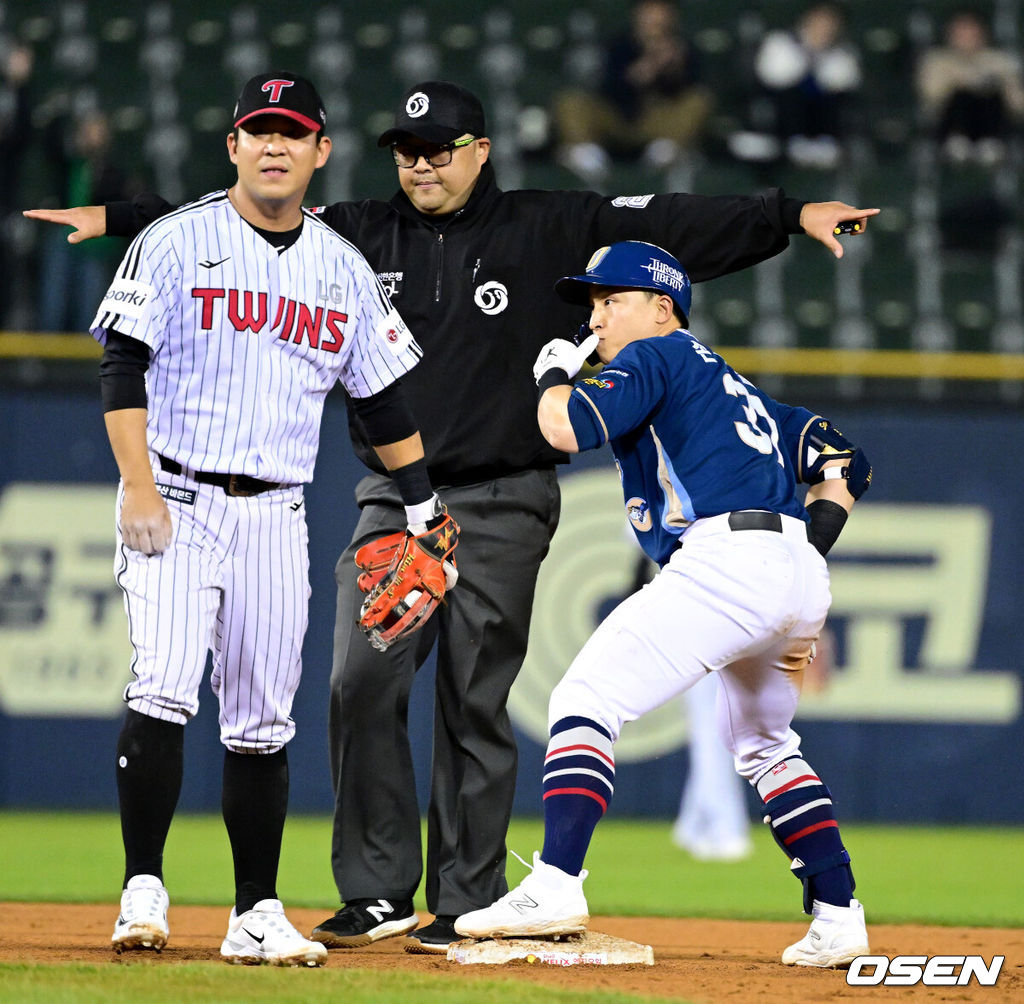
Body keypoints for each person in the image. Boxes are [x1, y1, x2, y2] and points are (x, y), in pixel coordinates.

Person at [25, 79, 879, 955]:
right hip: (395, 497)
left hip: (507, 494)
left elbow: (675, 223)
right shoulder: (356, 231)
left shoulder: (555, 224)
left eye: (441, 147)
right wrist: (122, 215)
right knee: (361, 680)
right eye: (406, 149)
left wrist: (789, 213)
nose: (422, 162)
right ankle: (375, 890)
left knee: (475, 698)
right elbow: (246, 212)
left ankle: (465, 898)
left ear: (481, 151)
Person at [81, 71, 456, 967]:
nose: (275, 145)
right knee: (163, 688)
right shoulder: (175, 240)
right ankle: (143, 887)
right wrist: (135, 484)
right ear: (234, 146)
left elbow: (381, 404)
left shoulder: (342, 267)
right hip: (173, 493)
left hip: (276, 513)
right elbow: (121, 365)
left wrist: (425, 503)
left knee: (260, 721)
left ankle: (255, 910)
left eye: (293, 132)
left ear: (321, 151)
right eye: (259, 130)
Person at [455, 240, 872, 969]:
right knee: (767, 746)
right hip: (796, 573)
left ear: (661, 307)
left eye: (610, 301)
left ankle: (556, 881)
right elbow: (846, 463)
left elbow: (563, 427)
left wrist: (555, 374)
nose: (597, 319)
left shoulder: (657, 354)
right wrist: (808, 544)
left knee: (585, 696)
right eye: (592, 304)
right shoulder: (743, 391)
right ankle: (839, 915)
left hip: (728, 561)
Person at [554, 0, 711, 185]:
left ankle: (664, 153)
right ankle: (587, 155)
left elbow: (687, 92)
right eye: (649, 15)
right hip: (616, 119)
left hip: (656, 123)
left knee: (699, 101)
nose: (654, 22)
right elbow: (607, 90)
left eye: (660, 16)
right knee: (569, 101)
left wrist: (673, 68)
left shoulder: (683, 49)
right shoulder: (618, 44)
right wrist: (646, 69)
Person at [731, 2, 861, 169]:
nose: (824, 29)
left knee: (830, 96)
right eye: (820, 22)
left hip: (821, 116)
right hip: (784, 107)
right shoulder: (780, 41)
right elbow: (773, 75)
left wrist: (821, 57)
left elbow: (844, 82)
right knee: (791, 92)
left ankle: (819, 143)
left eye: (830, 24)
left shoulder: (844, 52)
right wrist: (807, 57)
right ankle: (781, 141)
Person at [39, 110, 133, 332]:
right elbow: (49, 143)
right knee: (54, 294)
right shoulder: (69, 164)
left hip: (95, 243)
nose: (92, 136)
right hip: (65, 235)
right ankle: (46, 347)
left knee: (89, 296)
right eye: (88, 131)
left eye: (97, 131)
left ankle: (82, 353)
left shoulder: (114, 172)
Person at [916, 8, 1024, 165]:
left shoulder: (999, 61)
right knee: (961, 95)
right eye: (961, 34)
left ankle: (990, 143)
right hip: (950, 122)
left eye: (971, 34)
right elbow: (932, 95)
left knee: (990, 92)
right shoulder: (936, 61)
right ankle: (957, 142)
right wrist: (963, 81)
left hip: (993, 122)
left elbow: (1016, 101)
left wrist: (992, 84)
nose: (966, 39)